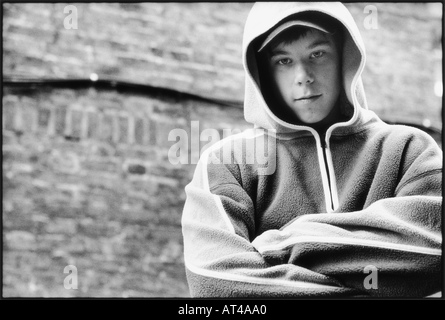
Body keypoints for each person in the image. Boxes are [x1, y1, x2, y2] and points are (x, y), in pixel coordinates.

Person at [181, 2, 442, 297]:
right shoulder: (227, 163)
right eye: (283, 61)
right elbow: (214, 281)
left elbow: (435, 246)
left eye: (317, 54)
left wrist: (279, 246)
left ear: (344, 57)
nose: (303, 75)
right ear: (262, 73)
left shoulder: (410, 150)